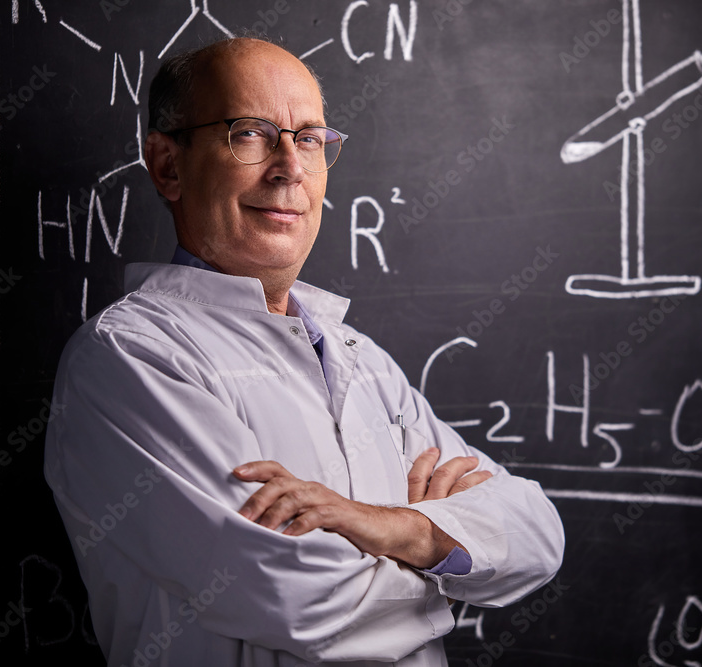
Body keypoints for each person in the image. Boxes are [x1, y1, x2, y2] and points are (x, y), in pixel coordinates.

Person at [44, 36, 564, 667]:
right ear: (168, 165)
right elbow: (303, 600)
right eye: (251, 134)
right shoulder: (130, 357)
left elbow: (537, 534)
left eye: (311, 138)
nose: (289, 166)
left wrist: (396, 528)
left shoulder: (360, 360)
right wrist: (448, 566)